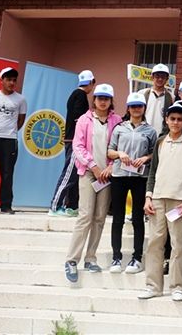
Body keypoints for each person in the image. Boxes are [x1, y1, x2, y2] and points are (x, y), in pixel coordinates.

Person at [137, 103, 182, 301]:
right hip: (157, 199)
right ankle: (153, 286)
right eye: (172, 119)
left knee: (178, 244)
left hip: (180, 201)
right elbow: (153, 171)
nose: (175, 122)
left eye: (180, 119)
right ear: (166, 120)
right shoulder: (160, 141)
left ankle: (177, 286)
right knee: (155, 243)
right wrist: (148, 196)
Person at [64, 84, 122, 282]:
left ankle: (90, 258)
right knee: (85, 215)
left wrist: (110, 168)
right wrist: (94, 166)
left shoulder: (117, 121)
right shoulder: (84, 119)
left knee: (99, 218)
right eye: (99, 98)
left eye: (106, 98)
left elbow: (120, 147)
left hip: (107, 175)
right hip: (89, 173)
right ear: (94, 100)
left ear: (111, 100)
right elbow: (78, 146)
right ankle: (72, 260)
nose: (103, 101)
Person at [107, 92, 157, 274]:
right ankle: (116, 257)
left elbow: (154, 154)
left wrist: (145, 158)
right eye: (133, 106)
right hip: (119, 175)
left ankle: (137, 258)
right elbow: (109, 151)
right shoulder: (120, 128)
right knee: (118, 218)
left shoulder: (150, 130)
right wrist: (120, 154)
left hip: (139, 177)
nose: (136, 109)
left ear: (144, 108)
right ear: (128, 108)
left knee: (137, 218)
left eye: (139, 106)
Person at [48, 70, 95, 216]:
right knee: (68, 174)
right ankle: (54, 207)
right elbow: (78, 118)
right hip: (75, 141)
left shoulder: (75, 94)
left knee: (75, 174)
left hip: (73, 139)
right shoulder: (80, 95)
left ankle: (70, 206)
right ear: (92, 83)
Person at [0, 67, 27, 214]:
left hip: (10, 140)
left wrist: (9, 131)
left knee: (7, 173)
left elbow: (21, 120)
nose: (12, 82)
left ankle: (6, 206)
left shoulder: (21, 99)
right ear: (2, 80)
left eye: (14, 80)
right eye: (8, 80)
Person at [141, 63, 173, 134]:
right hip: (143, 134)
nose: (160, 79)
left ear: (167, 79)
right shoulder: (143, 94)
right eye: (157, 76)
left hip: (162, 135)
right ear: (152, 77)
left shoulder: (171, 97)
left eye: (163, 77)